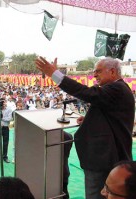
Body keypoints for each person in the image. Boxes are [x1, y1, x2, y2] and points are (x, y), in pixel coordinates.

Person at [36, 57, 135, 199]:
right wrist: (90, 120)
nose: (94, 75)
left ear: (113, 72)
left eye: (98, 71)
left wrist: (55, 75)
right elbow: (112, 118)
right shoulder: (117, 90)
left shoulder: (117, 89)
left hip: (104, 161)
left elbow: (86, 93)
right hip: (107, 158)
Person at [0, 99, 13, 164]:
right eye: (1, 102)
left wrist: (2, 118)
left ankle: (5, 157)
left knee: (5, 142)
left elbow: (9, 119)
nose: (2, 103)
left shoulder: (9, 109)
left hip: (5, 128)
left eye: (3, 102)